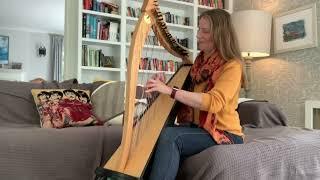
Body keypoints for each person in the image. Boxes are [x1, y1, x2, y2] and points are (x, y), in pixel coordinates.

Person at [145, 9, 246, 180]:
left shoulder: (232, 66)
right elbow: (181, 98)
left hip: (223, 132)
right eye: (199, 29)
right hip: (198, 128)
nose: (198, 35)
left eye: (205, 31)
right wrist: (161, 86)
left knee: (171, 136)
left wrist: (170, 90)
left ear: (220, 35)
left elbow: (214, 102)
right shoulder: (198, 64)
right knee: (155, 134)